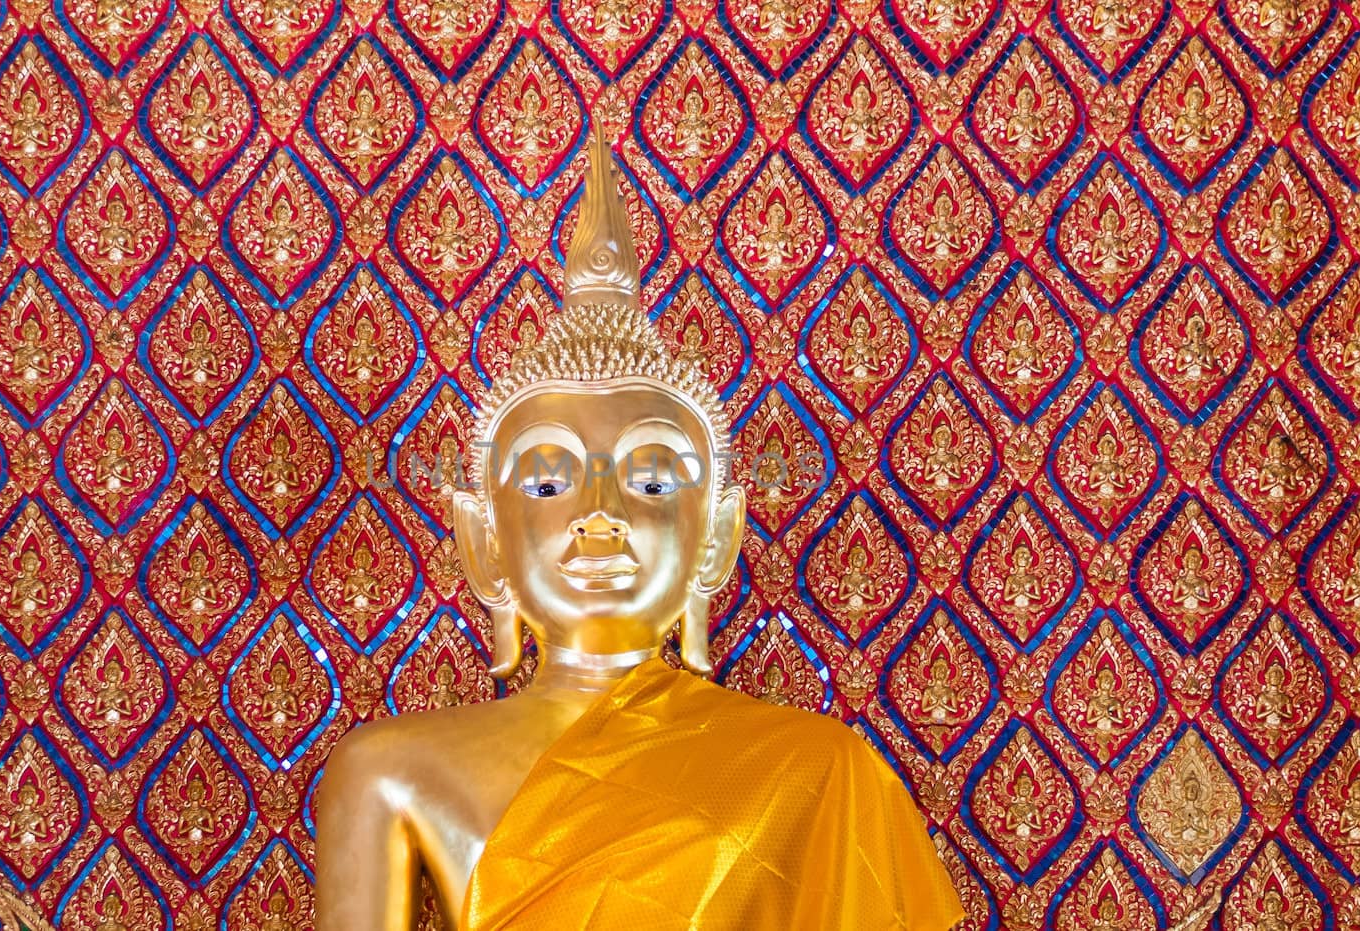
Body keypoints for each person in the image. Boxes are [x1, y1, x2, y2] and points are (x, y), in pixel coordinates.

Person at [313, 129, 963, 931]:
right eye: (548, 480)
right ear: (482, 541)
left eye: (652, 479)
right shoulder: (388, 771)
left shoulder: (818, 770)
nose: (600, 514)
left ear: (717, 537)